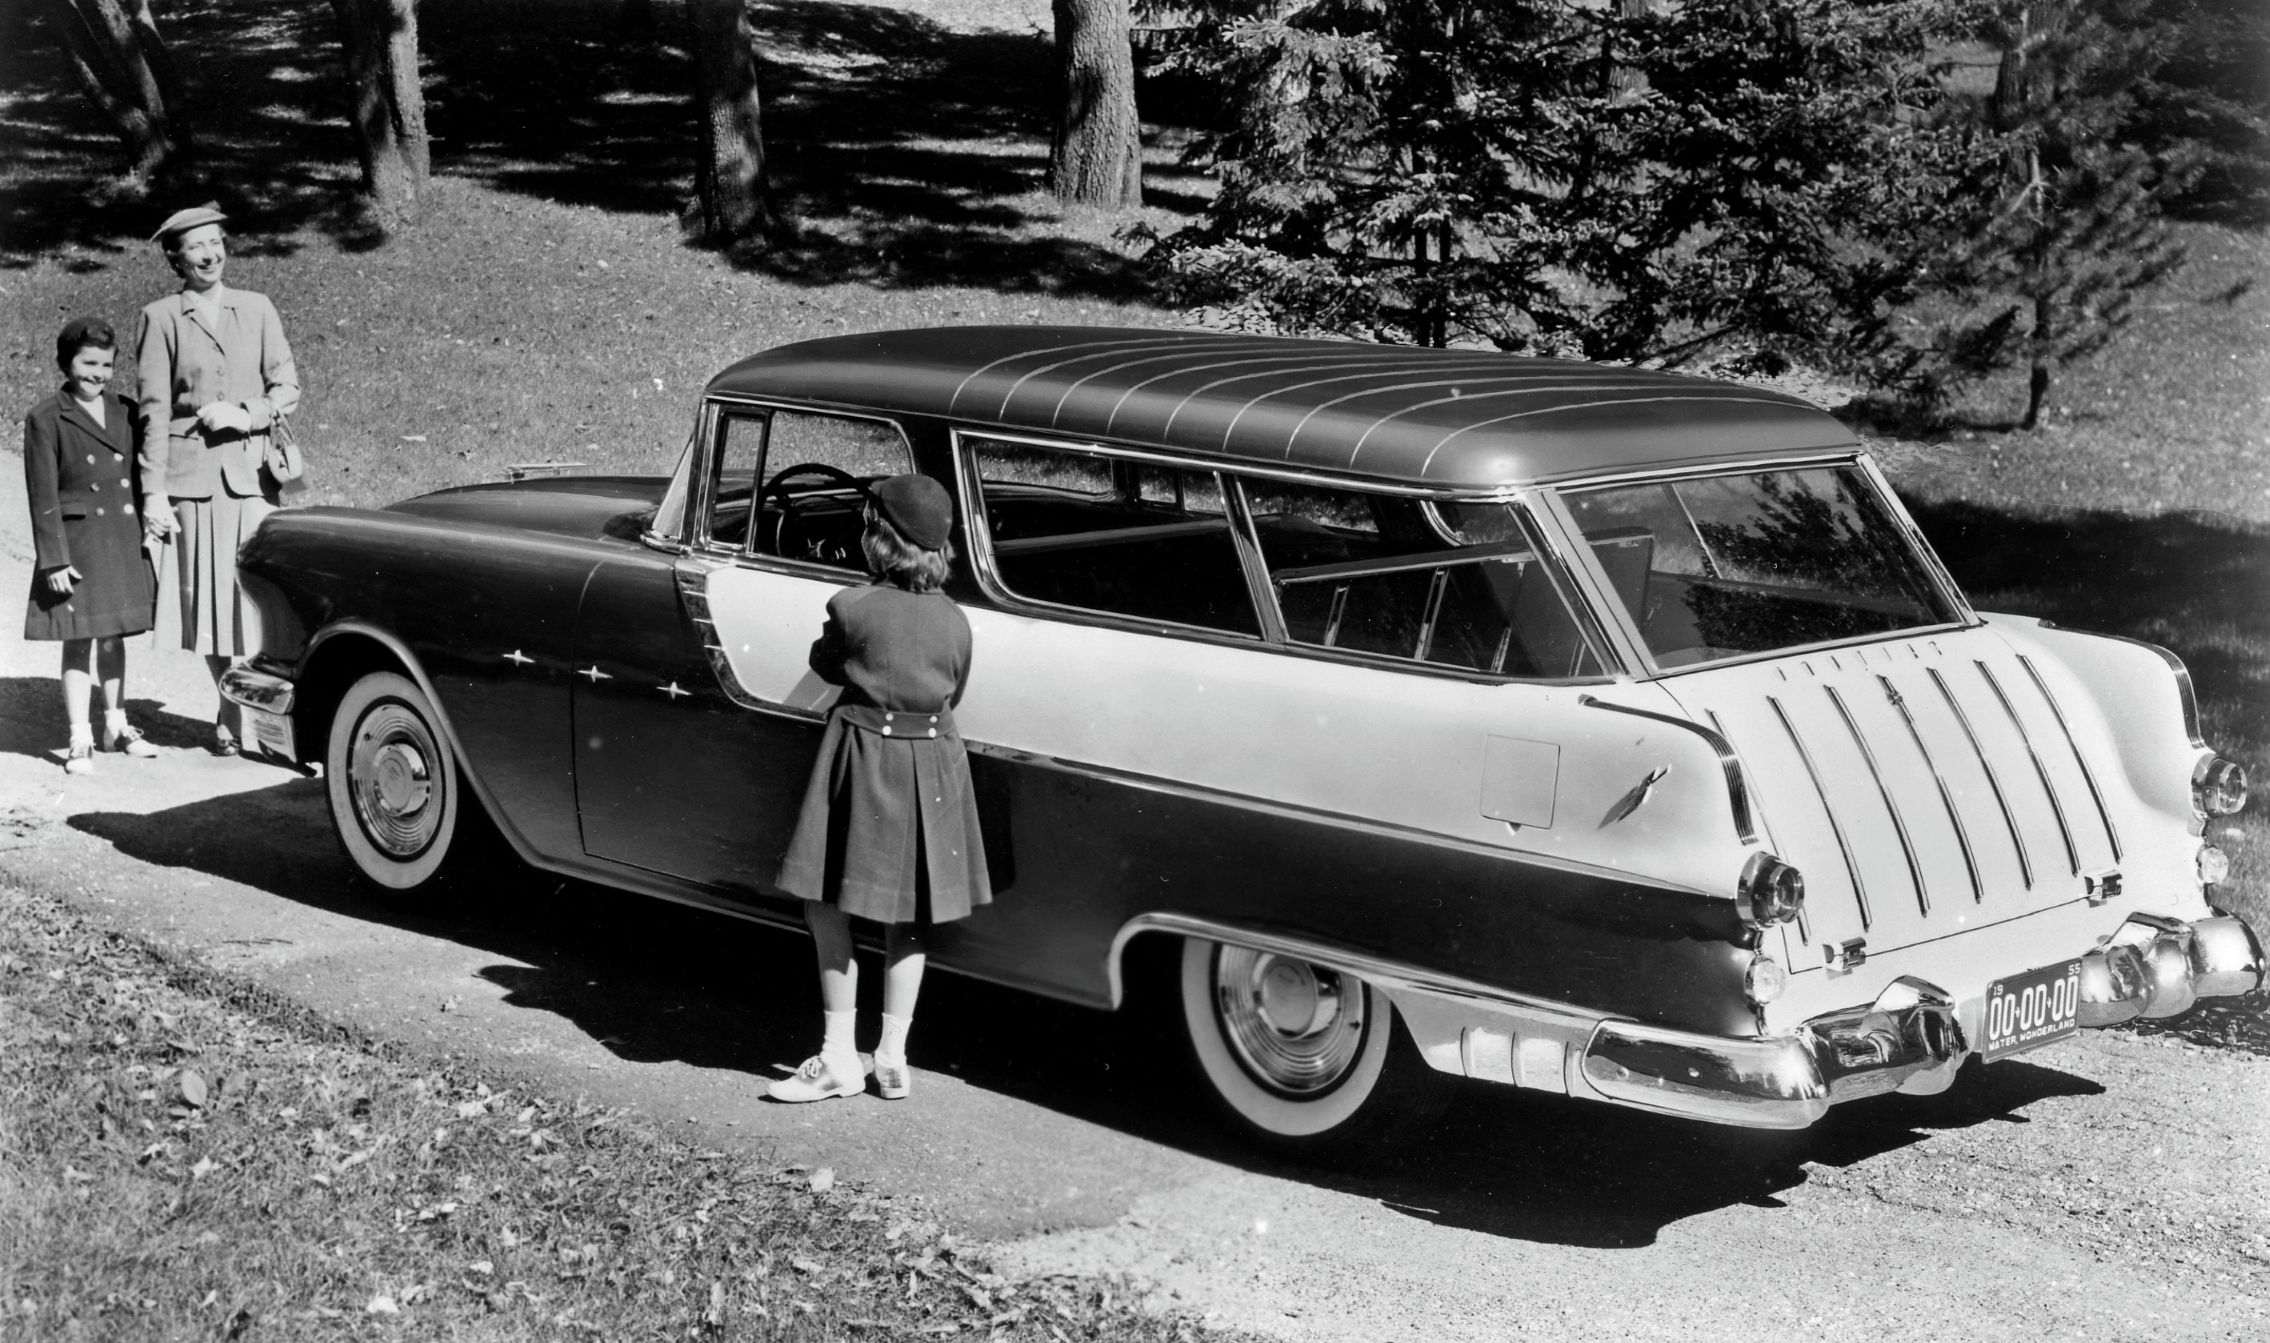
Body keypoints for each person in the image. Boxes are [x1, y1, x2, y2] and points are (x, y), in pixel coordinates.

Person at [770, 473, 992, 1102]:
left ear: (881, 543)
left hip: (864, 759)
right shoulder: (956, 623)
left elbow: (825, 662)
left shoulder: (853, 607)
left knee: (825, 901)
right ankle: (892, 1056)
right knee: (912, 914)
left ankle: (839, 1055)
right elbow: (953, 690)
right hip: (933, 766)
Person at [134, 202, 300, 756]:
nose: (211, 254)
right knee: (209, 605)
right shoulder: (161, 317)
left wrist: (245, 413)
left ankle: (268, 724)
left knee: (261, 604)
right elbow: (154, 411)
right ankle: (230, 714)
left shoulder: (257, 308)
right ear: (174, 258)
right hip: (193, 481)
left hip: (252, 478)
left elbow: (287, 388)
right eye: (196, 246)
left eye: (216, 242)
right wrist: (153, 491)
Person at [22, 318, 162, 774]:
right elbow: (42, 495)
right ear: (67, 363)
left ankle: (116, 725)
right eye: (88, 363)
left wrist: (151, 521)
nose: (98, 373)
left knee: (115, 636)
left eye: (106, 364)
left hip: (120, 538)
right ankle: (79, 735)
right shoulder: (46, 417)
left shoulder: (126, 410)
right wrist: (54, 560)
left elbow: (144, 475)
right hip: (78, 545)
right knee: (79, 638)